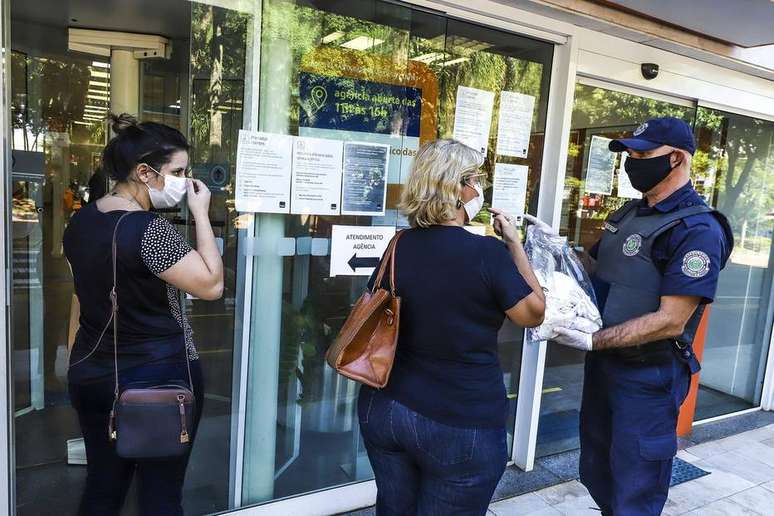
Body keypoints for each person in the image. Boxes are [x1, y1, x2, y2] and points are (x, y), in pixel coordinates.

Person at [550, 117, 733, 515]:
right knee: (599, 471)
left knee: (637, 489)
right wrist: (551, 251)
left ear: (677, 159)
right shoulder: (629, 214)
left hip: (649, 377)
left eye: (644, 154)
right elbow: (594, 269)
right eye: (630, 153)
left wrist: (593, 340)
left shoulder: (697, 229)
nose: (632, 161)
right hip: (606, 368)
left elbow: (672, 319)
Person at [358, 139, 546, 515]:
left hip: (386, 408)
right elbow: (533, 313)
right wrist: (513, 243)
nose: (479, 189)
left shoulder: (399, 245)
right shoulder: (487, 253)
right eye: (474, 180)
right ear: (458, 188)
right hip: (460, 422)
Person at [63, 113, 224, 516]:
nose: (186, 182)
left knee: (103, 486)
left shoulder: (81, 222)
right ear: (144, 173)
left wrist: (73, 358)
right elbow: (211, 286)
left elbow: (80, 298)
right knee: (161, 494)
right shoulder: (150, 229)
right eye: (178, 171)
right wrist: (201, 213)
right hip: (159, 380)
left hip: (93, 373)